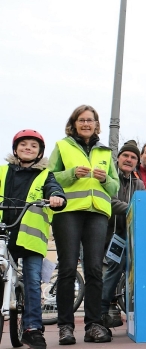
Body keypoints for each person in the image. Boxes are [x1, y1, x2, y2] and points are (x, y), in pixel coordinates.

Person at [48, 104, 119, 344]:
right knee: (68, 268)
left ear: (97, 125)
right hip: (68, 212)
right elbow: (48, 177)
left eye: (90, 120)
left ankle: (93, 325)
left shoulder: (106, 152)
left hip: (97, 214)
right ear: (74, 123)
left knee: (94, 270)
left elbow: (115, 187)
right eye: (82, 120)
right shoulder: (62, 146)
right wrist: (70, 174)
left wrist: (105, 178)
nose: (86, 124)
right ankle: (65, 327)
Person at [1, 129, 67, 349]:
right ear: (15, 149)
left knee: (32, 281)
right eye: (23, 144)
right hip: (4, 234)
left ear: (40, 153)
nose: (28, 148)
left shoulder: (45, 174)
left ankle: (31, 329)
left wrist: (56, 197)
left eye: (33, 146)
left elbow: (53, 187)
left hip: (30, 239)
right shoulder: (3, 171)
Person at [101, 140, 145, 329]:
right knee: (112, 271)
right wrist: (132, 208)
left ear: (137, 162)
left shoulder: (139, 183)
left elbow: (144, 207)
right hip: (106, 234)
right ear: (118, 158)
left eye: (133, 157)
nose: (129, 159)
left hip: (128, 236)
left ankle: (135, 313)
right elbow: (109, 201)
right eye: (125, 155)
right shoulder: (110, 179)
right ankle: (100, 311)